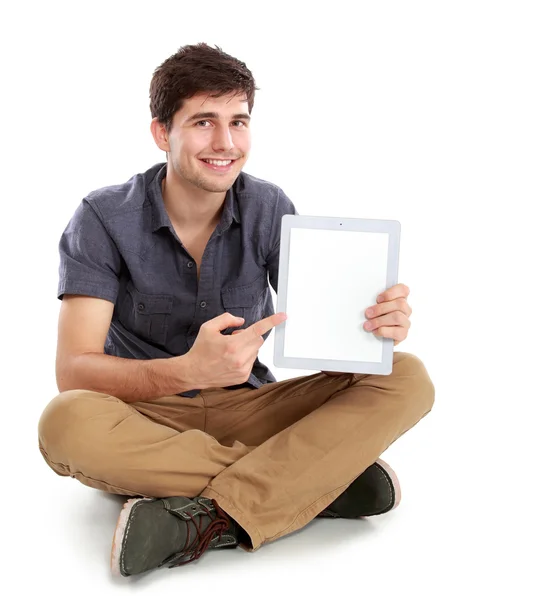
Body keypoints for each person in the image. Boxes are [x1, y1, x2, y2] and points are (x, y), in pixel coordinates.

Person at [37, 43, 435, 578]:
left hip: (252, 410)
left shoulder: (269, 206)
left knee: (406, 376)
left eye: (238, 122)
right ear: (162, 132)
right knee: (63, 423)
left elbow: (327, 338)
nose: (225, 143)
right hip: (146, 417)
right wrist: (186, 371)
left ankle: (209, 513)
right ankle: (310, 483)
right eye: (203, 121)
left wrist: (375, 331)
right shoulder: (103, 217)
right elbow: (74, 371)